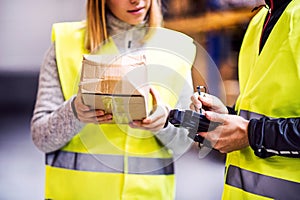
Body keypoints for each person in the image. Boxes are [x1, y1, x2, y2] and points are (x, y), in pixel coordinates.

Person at [31, 0, 195, 199]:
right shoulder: (66, 44)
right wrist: (75, 111)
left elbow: (185, 142)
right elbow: (41, 138)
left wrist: (164, 123)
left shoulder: (176, 49)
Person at [190, 0, 300, 199]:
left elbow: (251, 130)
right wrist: (227, 116)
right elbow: (261, 109)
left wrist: (250, 133)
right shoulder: (259, 20)